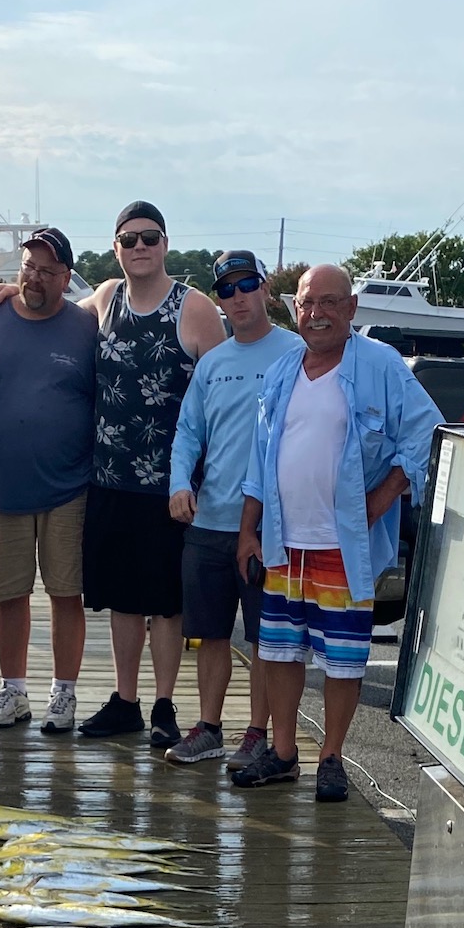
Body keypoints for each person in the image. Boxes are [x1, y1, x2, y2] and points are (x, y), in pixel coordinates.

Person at [234, 263, 440, 801]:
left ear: (351, 308)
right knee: (279, 652)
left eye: (329, 302)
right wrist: (248, 529)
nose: (317, 313)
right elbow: (260, 458)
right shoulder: (283, 369)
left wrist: (382, 497)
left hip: (343, 546)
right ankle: (283, 753)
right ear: (295, 310)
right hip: (283, 541)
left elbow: (426, 430)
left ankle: (332, 757)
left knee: (343, 660)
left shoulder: (380, 364)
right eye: (307, 303)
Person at [76, 202, 223, 747]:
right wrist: (3, 292)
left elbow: (220, 399)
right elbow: (53, 311)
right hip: (110, 478)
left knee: (165, 601)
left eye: (150, 237)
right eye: (129, 239)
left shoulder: (195, 308)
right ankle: (126, 700)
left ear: (165, 244)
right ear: (116, 247)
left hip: (170, 485)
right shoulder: (106, 297)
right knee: (123, 598)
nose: (140, 247)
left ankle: (163, 704)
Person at [164, 249, 286, 768]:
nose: (238, 297)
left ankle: (257, 734)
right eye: (227, 290)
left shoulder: (296, 353)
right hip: (209, 523)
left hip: (269, 528)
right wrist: (178, 484)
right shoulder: (212, 363)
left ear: (265, 289)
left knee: (265, 640)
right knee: (210, 634)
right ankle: (209, 728)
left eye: (247, 285)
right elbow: (188, 433)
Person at [0, 226, 97, 736]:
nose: (36, 278)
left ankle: (63, 693)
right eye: (29, 267)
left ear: (66, 278)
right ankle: (13, 689)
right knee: (10, 595)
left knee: (66, 594)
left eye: (48, 271)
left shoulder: (86, 327)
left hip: (70, 486)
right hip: (3, 487)